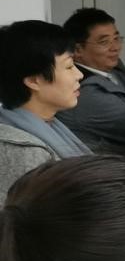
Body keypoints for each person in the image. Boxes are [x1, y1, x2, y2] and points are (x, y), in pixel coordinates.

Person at [0, 20, 89, 199]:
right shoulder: (26, 152)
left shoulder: (48, 125)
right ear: (33, 81)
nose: (79, 75)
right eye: (69, 66)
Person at [56, 7, 125, 157]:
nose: (115, 48)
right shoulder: (84, 91)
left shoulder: (112, 71)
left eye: (117, 39)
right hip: (113, 167)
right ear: (77, 50)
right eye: (104, 42)